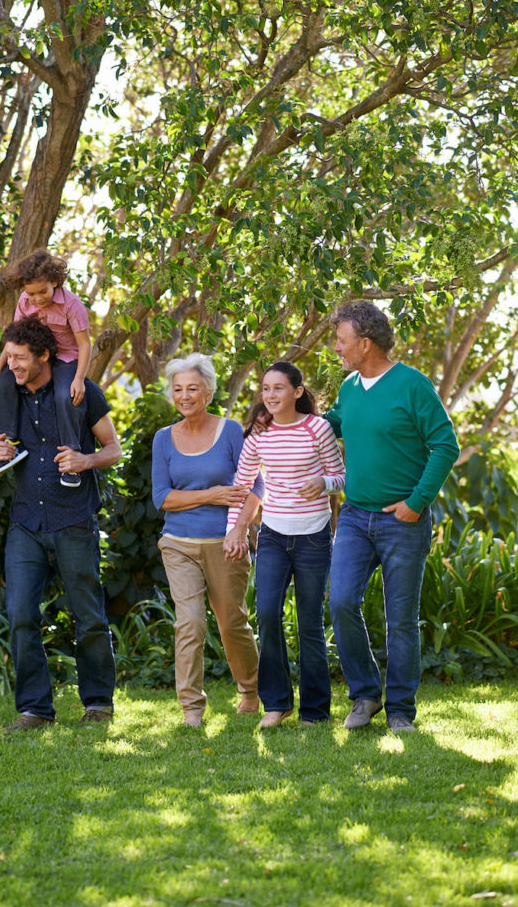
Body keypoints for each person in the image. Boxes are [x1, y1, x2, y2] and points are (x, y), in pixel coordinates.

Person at [325, 301, 459, 734]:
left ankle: (400, 708)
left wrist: (417, 501)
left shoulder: (412, 385)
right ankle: (365, 695)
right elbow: (333, 425)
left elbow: (445, 446)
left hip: (403, 519)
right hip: (354, 517)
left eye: (342, 340)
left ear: (365, 343)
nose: (337, 348)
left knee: (401, 617)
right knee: (342, 601)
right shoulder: (349, 387)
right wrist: (285, 416)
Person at [0, 318, 121, 730]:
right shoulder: (8, 396)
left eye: (21, 358)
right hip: (26, 522)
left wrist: (86, 459)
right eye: (9, 357)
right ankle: (35, 710)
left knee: (89, 615)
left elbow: (113, 449)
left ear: (44, 355)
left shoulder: (81, 393)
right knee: (21, 613)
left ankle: (98, 704)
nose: (13, 365)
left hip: (73, 521)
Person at [224, 361, 345, 729]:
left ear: (296, 391)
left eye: (278, 388)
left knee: (309, 622)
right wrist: (236, 530)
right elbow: (242, 485)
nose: (270, 395)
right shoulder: (259, 434)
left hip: (314, 536)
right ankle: (276, 705)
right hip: (274, 536)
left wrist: (323, 483)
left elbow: (341, 476)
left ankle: (314, 710)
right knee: (267, 616)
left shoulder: (318, 428)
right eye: (265, 389)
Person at [151, 353, 263, 728]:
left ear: (209, 391)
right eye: (178, 389)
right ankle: (191, 709)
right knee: (190, 623)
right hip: (178, 542)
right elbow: (162, 498)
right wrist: (211, 494)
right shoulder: (163, 439)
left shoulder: (230, 431)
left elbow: (254, 484)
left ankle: (250, 690)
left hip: (224, 542)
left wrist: (239, 529)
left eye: (192, 388)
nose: (184, 396)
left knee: (232, 622)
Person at [0, 248, 91, 486]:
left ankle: (70, 458)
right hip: (36, 357)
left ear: (55, 281)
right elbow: (15, 338)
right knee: (3, 382)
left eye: (42, 291)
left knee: (65, 395)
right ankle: (9, 442)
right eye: (31, 294)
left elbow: (84, 345)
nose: (37, 299)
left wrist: (79, 378)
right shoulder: (25, 301)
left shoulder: (71, 304)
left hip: (64, 358)